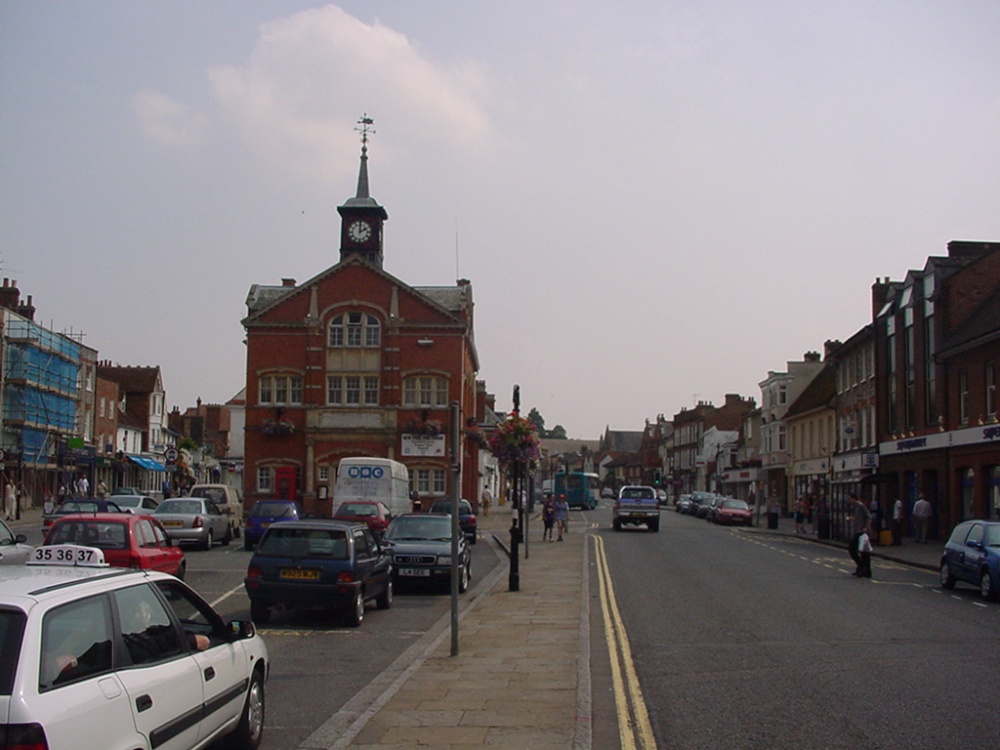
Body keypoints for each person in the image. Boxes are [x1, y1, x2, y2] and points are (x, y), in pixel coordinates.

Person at [848, 494, 872, 577]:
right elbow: (858, 518)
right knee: (863, 552)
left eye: (850, 499)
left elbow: (869, 517)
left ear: (854, 499)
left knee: (852, 548)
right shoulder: (854, 507)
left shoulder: (861, 505)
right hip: (857, 531)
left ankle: (862, 567)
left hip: (862, 532)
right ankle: (863, 569)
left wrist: (866, 528)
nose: (849, 501)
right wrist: (852, 519)